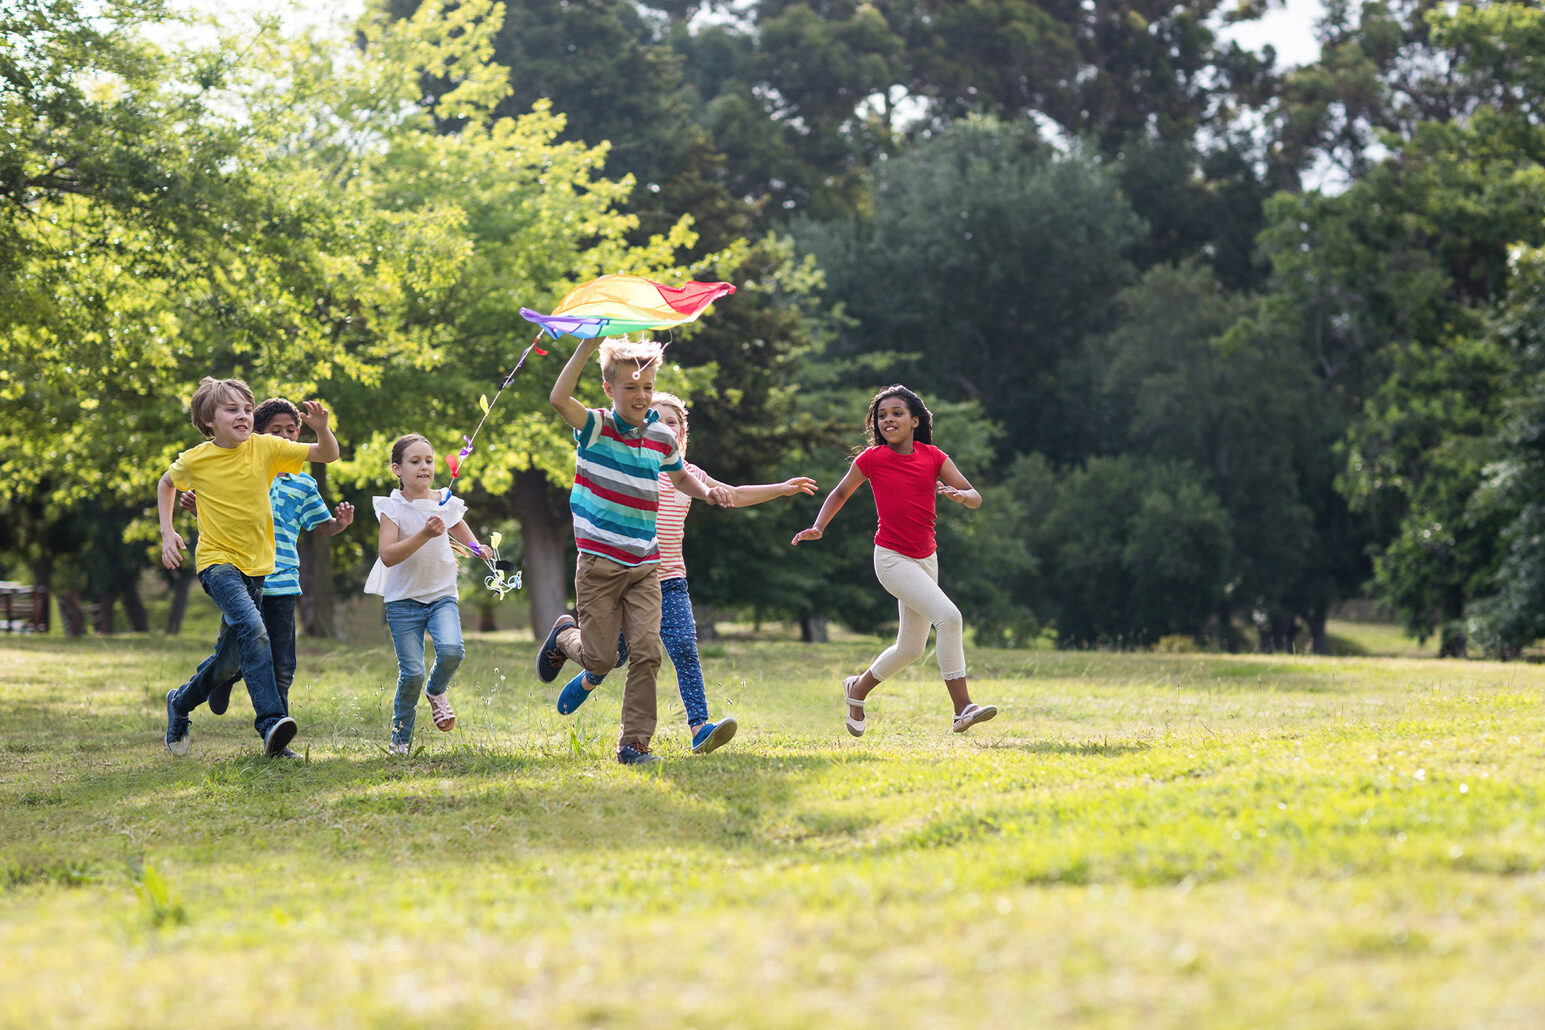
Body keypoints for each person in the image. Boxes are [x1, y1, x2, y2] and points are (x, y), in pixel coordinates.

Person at [537, 391, 816, 755]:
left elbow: (733, 493)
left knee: (683, 646)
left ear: (681, 435)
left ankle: (700, 728)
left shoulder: (690, 476)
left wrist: (780, 489)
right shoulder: (631, 466)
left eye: (674, 422)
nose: (665, 426)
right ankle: (569, 643)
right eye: (657, 419)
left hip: (669, 581)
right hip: (623, 575)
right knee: (612, 655)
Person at [539, 335, 731, 766]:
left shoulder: (662, 436)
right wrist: (585, 349)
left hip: (646, 565)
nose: (642, 396)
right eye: (631, 388)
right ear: (609, 390)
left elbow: (681, 479)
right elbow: (558, 397)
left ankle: (634, 744)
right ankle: (566, 636)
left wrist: (707, 493)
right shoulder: (595, 427)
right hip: (599, 565)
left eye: (647, 387)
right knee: (603, 658)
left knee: (647, 652)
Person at [791, 384, 997, 735]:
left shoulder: (934, 457)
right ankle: (962, 708)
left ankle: (857, 690)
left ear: (915, 420)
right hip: (891, 558)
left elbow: (975, 496)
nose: (888, 420)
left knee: (910, 648)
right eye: (881, 415)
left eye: (897, 413)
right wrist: (818, 527)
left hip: (926, 558)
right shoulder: (871, 459)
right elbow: (840, 492)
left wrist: (962, 497)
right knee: (949, 618)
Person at [159, 377, 340, 758]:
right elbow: (166, 483)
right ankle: (271, 723)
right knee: (256, 633)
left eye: (246, 408)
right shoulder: (197, 459)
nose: (242, 415)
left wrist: (322, 430)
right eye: (232, 410)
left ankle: (180, 702)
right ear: (210, 421)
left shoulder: (267, 448)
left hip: (258, 568)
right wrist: (168, 530)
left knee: (230, 660)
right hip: (217, 564)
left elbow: (326, 455)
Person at [365, 434, 486, 756]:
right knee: (412, 672)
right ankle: (400, 739)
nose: (424, 467)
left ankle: (436, 691)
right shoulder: (393, 507)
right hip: (402, 600)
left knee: (452, 651)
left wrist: (478, 549)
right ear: (397, 469)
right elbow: (388, 555)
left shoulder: (444, 500)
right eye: (415, 461)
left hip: (441, 594)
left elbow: (458, 527)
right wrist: (424, 533)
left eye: (429, 461)